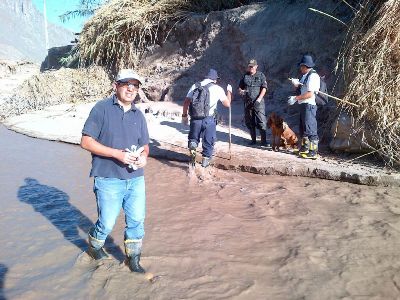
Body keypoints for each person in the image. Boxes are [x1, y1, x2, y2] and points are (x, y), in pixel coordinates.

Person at [80, 69, 150, 273]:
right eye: (126, 83)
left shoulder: (139, 115)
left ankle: (133, 260)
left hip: (136, 179)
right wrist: (117, 154)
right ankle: (94, 247)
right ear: (115, 86)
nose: (131, 88)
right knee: (107, 223)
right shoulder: (101, 109)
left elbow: (145, 145)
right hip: (108, 178)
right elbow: (85, 141)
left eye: (135, 85)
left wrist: (144, 157)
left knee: (137, 220)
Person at [181, 68, 232, 167]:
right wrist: (229, 91)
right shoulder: (218, 89)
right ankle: (204, 167)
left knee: (193, 140)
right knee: (208, 142)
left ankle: (193, 159)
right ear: (215, 79)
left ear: (206, 77)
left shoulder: (195, 86)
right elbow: (227, 104)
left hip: (195, 118)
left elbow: (186, 102)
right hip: (209, 120)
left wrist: (184, 116)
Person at [288, 55, 321, 159]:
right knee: (303, 128)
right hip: (303, 105)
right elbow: (302, 88)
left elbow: (310, 94)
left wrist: (295, 98)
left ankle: (313, 151)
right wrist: (297, 84)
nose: (300, 68)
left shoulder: (313, 76)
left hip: (309, 105)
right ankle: (304, 148)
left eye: (301, 66)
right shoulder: (305, 76)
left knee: (310, 129)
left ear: (306, 66)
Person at [238, 59, 268, 145]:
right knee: (250, 121)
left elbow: (264, 88)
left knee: (261, 121)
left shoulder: (261, 75)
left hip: (259, 102)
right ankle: (253, 140)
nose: (251, 67)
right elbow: (240, 87)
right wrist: (241, 91)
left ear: (256, 66)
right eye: (249, 66)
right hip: (248, 103)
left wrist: (259, 99)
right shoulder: (245, 76)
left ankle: (263, 141)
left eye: (252, 66)